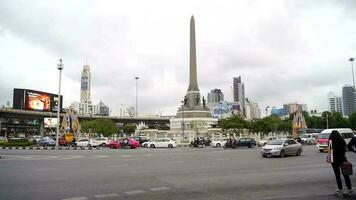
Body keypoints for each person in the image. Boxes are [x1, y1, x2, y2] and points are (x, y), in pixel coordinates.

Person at [328, 130, 352, 195]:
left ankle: (340, 189)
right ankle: (349, 189)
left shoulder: (330, 141)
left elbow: (329, 151)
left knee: (337, 175)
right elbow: (345, 149)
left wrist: (329, 159)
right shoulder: (342, 141)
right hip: (343, 159)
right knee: (346, 174)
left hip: (334, 160)